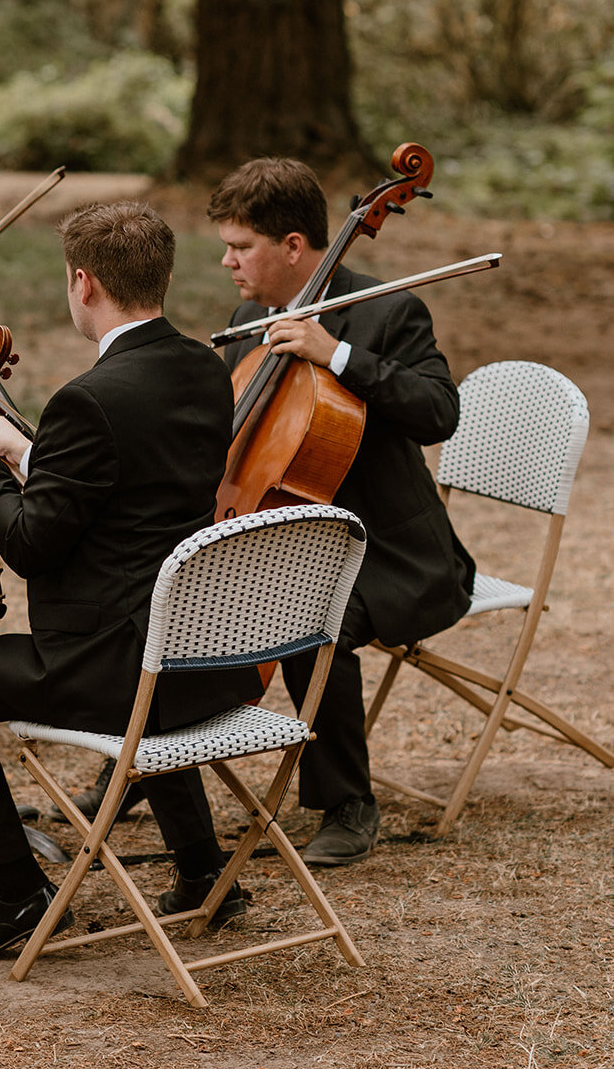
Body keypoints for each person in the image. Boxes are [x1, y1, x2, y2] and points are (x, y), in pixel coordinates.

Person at [0, 200, 252, 961]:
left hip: (117, 674)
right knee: (136, 642)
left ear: (82, 283)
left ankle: (19, 894)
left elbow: (28, 545)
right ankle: (203, 868)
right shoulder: (201, 370)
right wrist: (34, 454)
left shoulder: (91, 398)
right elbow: (125, 491)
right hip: (201, 661)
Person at [207, 155, 475, 866]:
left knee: (307, 619)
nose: (227, 261)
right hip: (290, 536)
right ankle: (141, 769)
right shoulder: (251, 317)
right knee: (189, 592)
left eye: (242, 247)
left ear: (294, 245)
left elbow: (439, 412)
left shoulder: (390, 311)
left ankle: (348, 805)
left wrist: (340, 355)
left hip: (393, 554)